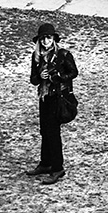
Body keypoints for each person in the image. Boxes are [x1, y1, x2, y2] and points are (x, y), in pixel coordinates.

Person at [26, 22, 78, 184]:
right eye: (42, 39)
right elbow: (33, 80)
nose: (45, 41)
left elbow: (73, 73)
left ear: (53, 39)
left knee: (53, 133)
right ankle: (45, 163)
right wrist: (40, 77)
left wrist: (57, 77)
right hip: (44, 97)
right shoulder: (36, 57)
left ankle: (57, 168)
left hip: (58, 98)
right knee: (44, 131)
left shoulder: (63, 55)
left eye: (48, 38)